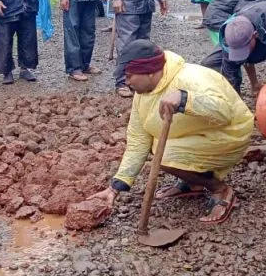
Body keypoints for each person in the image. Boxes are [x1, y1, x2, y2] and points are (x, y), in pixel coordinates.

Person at [90, 41, 254, 224]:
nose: (126, 82)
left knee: (165, 155)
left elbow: (225, 112)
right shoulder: (142, 94)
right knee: (156, 145)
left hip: (230, 133)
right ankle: (194, 181)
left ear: (149, 72)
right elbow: (138, 141)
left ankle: (220, 190)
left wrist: (185, 99)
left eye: (129, 76)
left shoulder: (190, 77)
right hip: (200, 134)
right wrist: (115, 187)